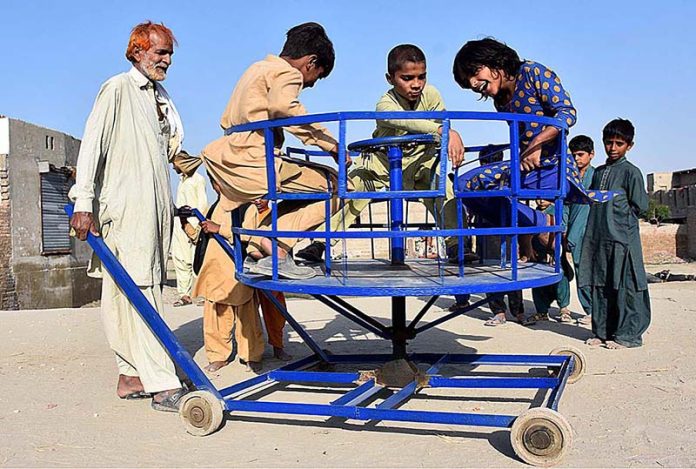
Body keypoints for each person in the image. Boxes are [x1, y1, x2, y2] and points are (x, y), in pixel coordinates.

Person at [69, 21, 187, 411]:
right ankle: (161, 382)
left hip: (154, 207)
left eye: (169, 53)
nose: (166, 60)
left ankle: (130, 374)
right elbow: (92, 145)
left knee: (123, 295)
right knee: (143, 289)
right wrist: (83, 201)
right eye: (159, 52)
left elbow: (169, 151)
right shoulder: (118, 88)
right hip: (126, 208)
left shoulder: (160, 97)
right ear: (138, 51)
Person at [198, 22, 347, 280]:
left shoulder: (256, 68)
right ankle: (276, 246)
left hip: (229, 158)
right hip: (257, 161)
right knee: (340, 186)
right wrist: (331, 144)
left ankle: (260, 242)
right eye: (317, 76)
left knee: (305, 192)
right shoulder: (288, 74)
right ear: (310, 62)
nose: (311, 84)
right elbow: (286, 110)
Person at [297, 44, 470, 264]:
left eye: (421, 77)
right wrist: (443, 130)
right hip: (381, 167)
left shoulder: (432, 95)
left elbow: (442, 121)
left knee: (444, 189)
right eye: (407, 78)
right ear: (390, 78)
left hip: (420, 166)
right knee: (353, 190)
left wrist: (447, 129)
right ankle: (320, 242)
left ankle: (457, 246)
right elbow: (400, 119)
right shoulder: (385, 103)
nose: (416, 84)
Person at [452, 38, 613, 259]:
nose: (475, 86)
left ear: (492, 63)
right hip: (526, 168)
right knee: (464, 186)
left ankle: (538, 233)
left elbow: (567, 114)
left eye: (477, 78)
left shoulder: (532, 73)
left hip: (554, 167)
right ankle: (539, 223)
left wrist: (537, 143)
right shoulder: (500, 99)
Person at [579, 119, 651, 349]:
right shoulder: (599, 173)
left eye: (619, 143)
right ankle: (602, 333)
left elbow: (640, 206)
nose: (612, 147)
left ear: (629, 145)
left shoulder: (632, 173)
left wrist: (619, 215)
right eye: (609, 142)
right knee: (600, 284)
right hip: (598, 238)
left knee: (625, 287)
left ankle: (627, 336)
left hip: (623, 240)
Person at [182, 176, 266, 373]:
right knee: (215, 321)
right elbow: (197, 236)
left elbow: (251, 235)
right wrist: (184, 221)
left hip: (236, 273)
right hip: (213, 274)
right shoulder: (212, 208)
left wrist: (220, 229)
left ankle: (252, 356)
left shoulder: (247, 207)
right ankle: (218, 356)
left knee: (248, 319)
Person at [566, 135, 596, 324]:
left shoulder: (597, 176)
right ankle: (590, 309)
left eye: (580, 154)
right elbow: (567, 206)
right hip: (575, 233)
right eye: (574, 155)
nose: (577, 159)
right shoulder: (570, 178)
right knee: (581, 271)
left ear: (591, 155)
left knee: (594, 272)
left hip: (593, 232)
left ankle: (598, 310)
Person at [171, 164, 208, 307]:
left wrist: (199, 225)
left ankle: (204, 294)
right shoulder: (181, 181)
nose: (174, 168)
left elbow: (203, 203)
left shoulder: (198, 179)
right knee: (180, 259)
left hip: (194, 223)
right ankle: (184, 295)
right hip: (181, 224)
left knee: (197, 260)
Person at [530, 200, 572, 323]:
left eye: (545, 197)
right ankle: (541, 311)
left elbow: (563, 231)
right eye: (538, 198)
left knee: (561, 279)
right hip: (539, 253)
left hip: (555, 252)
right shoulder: (534, 213)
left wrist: (559, 250)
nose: (541, 201)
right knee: (538, 282)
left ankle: (564, 309)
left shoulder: (558, 210)